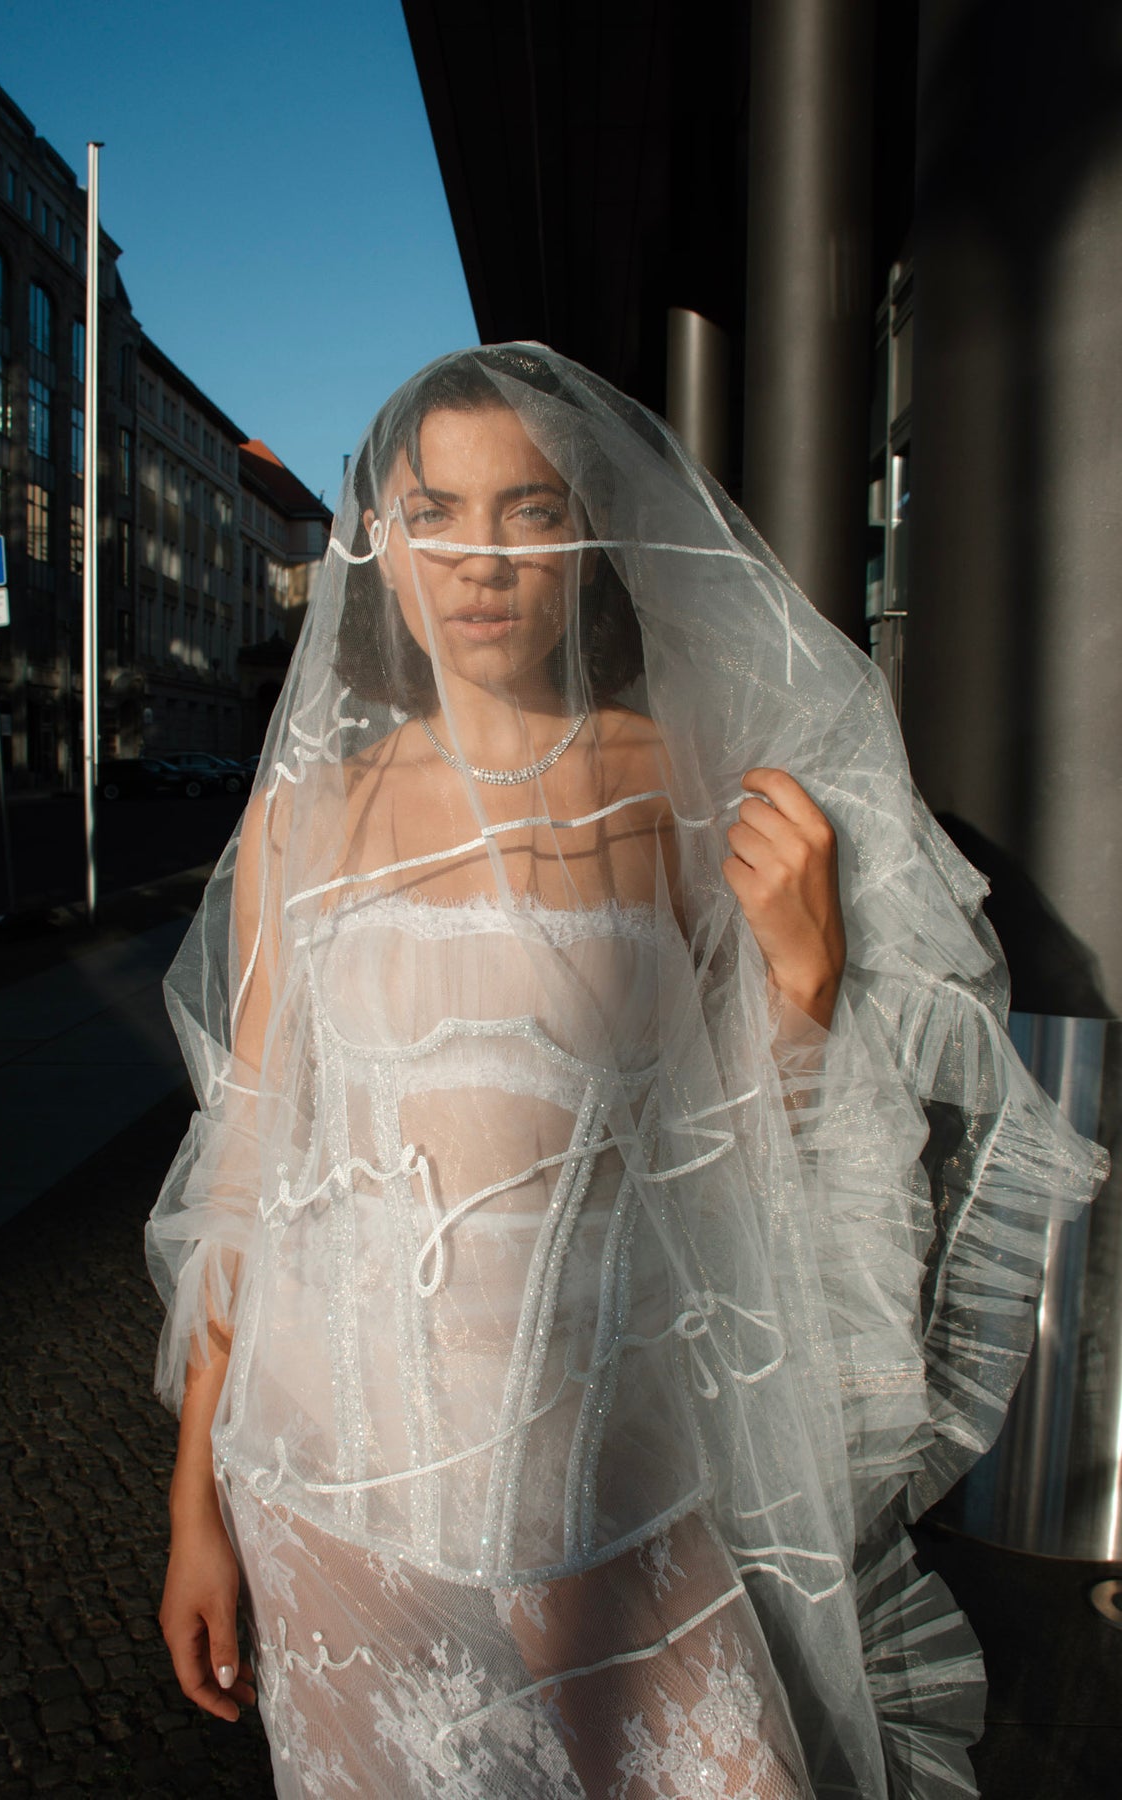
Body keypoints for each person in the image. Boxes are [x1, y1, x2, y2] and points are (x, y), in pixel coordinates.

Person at [147, 345, 1105, 1799]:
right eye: (438, 512)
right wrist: (193, 1508)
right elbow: (250, 1162)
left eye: (529, 511)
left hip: (612, 1481)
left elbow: (738, 1141)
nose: (481, 557)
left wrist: (808, 980)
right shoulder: (307, 814)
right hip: (333, 1487)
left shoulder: (675, 779)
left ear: (587, 538)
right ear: (385, 552)